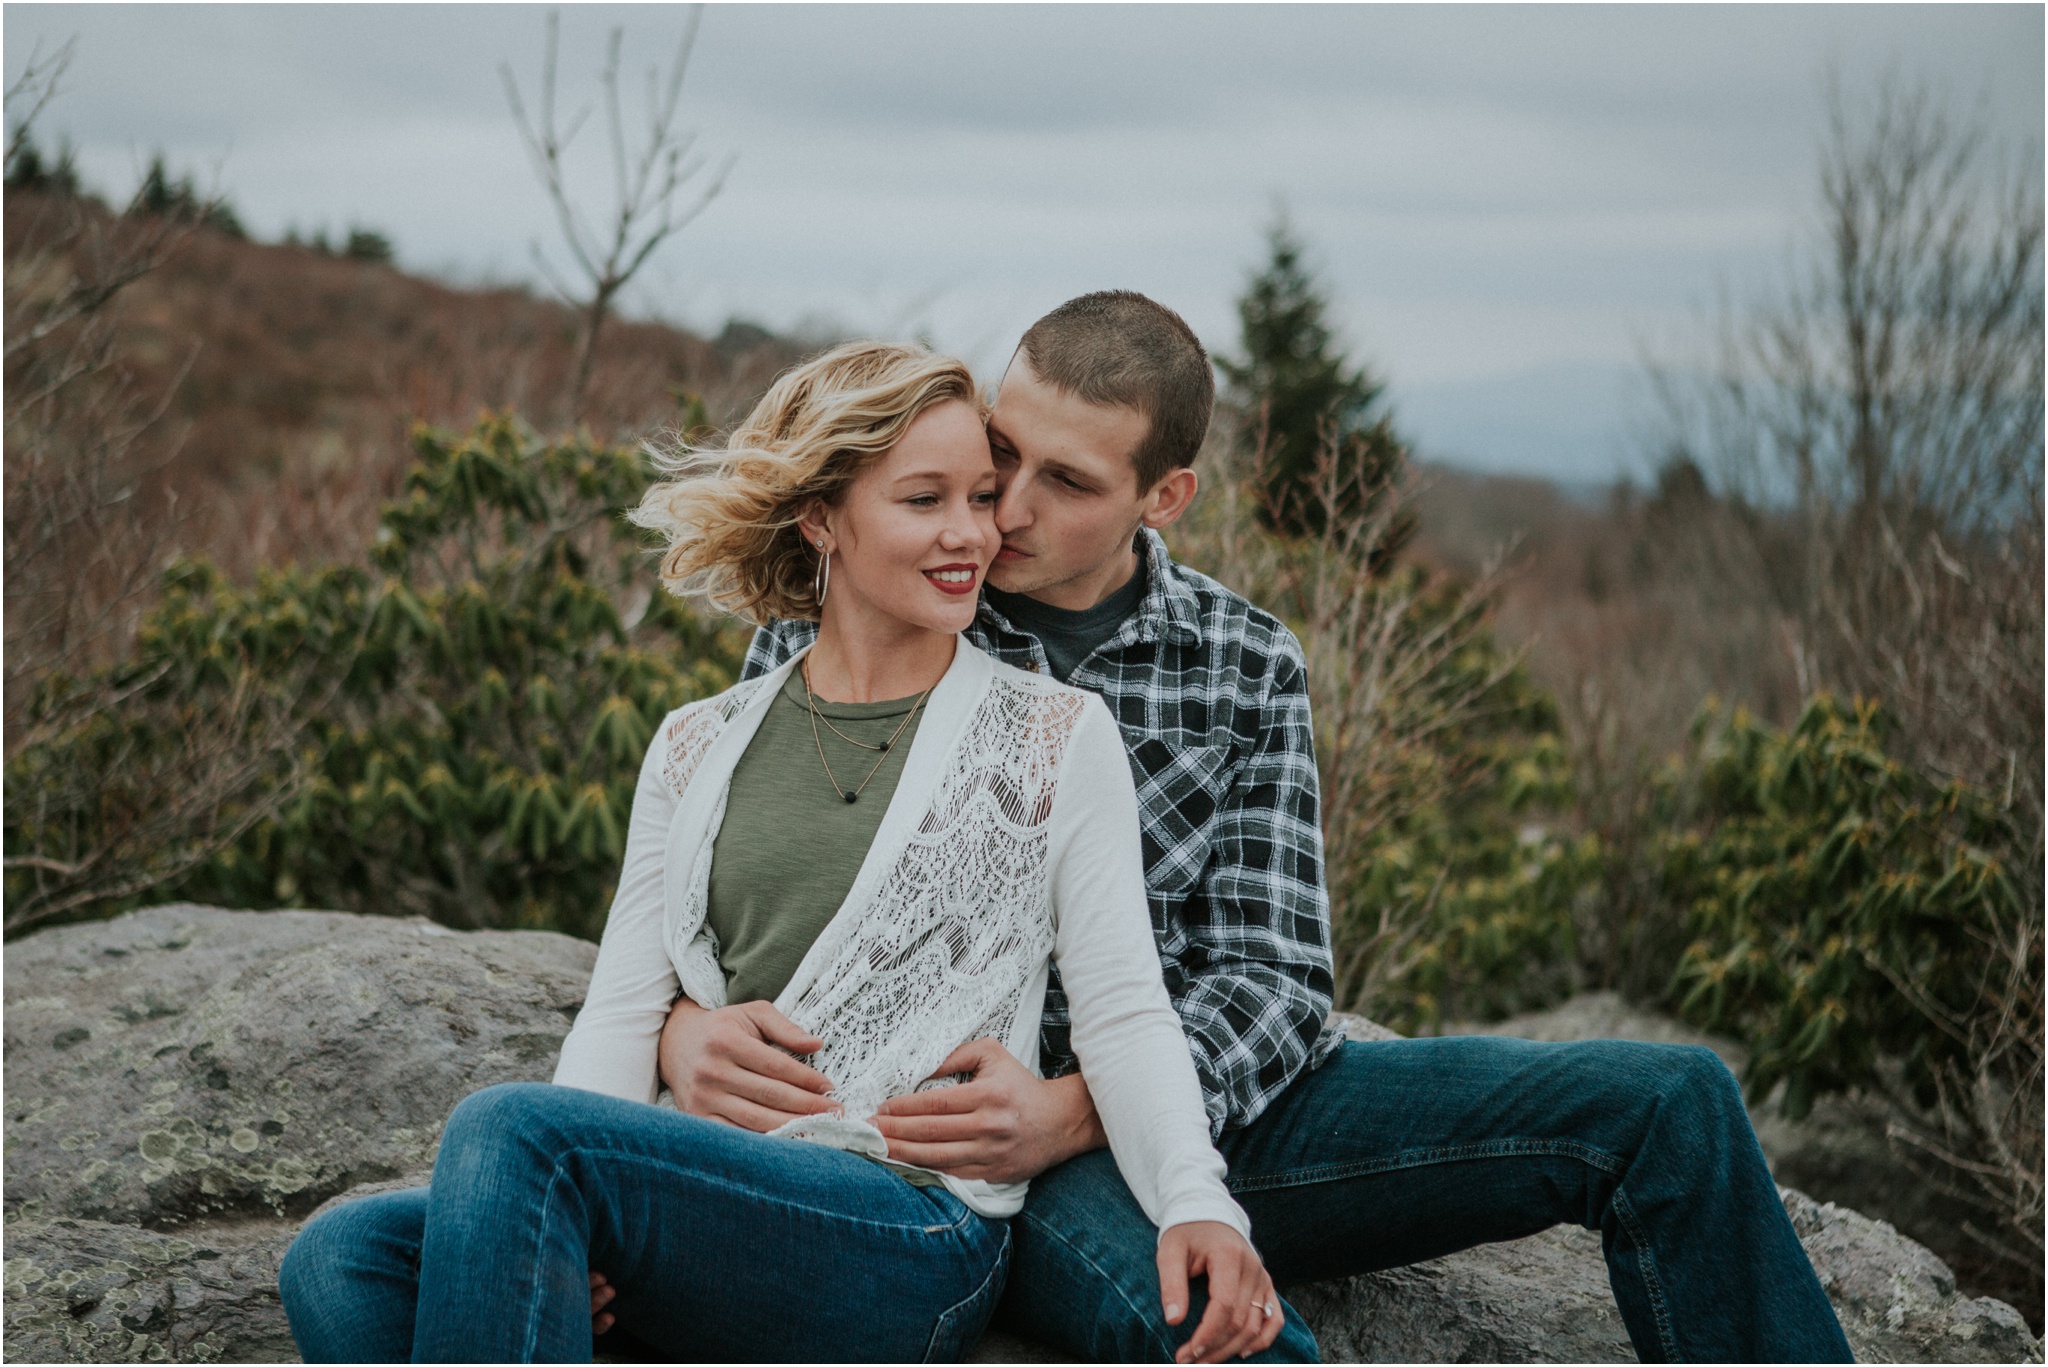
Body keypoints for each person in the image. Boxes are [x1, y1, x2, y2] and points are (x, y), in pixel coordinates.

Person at [679, 291, 1856, 1363]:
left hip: (1202, 1109)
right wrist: (681, 1034)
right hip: (965, 1147)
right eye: (999, 457)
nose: (1006, 513)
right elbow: (712, 903)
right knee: (1238, 1340)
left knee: (1670, 1102)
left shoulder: (1241, 660)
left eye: (1070, 483)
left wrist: (1079, 1106)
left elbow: (1276, 978)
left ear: (1164, 495)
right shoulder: (873, 599)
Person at [277, 341, 1286, 1363]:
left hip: (909, 1222)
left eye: (979, 497)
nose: (971, 533)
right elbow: (627, 1007)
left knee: (511, 1133)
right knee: (341, 1256)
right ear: (820, 518)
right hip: (713, 1190)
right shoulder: (697, 740)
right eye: (923, 499)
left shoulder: (1051, 734)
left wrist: (1197, 1201)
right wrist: (555, 1227)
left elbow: (1121, 1007)